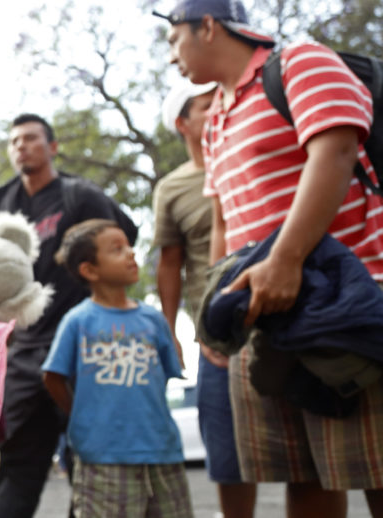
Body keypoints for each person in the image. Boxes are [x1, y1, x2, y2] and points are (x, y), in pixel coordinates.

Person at [157, 0, 383, 516]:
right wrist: (217, 310)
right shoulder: (214, 119)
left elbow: (337, 150)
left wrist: (286, 259)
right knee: (302, 479)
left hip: (350, 306)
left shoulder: (302, 62)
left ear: (207, 26)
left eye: (173, 40)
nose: (171, 57)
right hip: (265, 317)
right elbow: (224, 220)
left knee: (375, 469)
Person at [0, 113, 137, 518]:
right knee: (18, 461)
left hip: (81, 345)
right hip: (24, 350)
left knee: (87, 458)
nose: (22, 145)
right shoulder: (3, 203)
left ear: (52, 147)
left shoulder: (79, 195)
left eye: (32, 138)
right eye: (15, 140)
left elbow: (125, 236)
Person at [153, 80, 257, 517]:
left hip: (278, 321)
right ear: (182, 123)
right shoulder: (172, 188)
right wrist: (172, 329)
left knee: (301, 454)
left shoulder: (250, 160)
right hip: (217, 342)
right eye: (203, 105)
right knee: (227, 458)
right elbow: (169, 262)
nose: (217, 106)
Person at [43, 218, 192, 518]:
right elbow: (52, 377)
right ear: (90, 270)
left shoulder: (154, 320)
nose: (131, 253)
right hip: (101, 456)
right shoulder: (78, 321)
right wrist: (82, 415)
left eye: (130, 246)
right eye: (117, 249)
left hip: (162, 453)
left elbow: (162, 377)